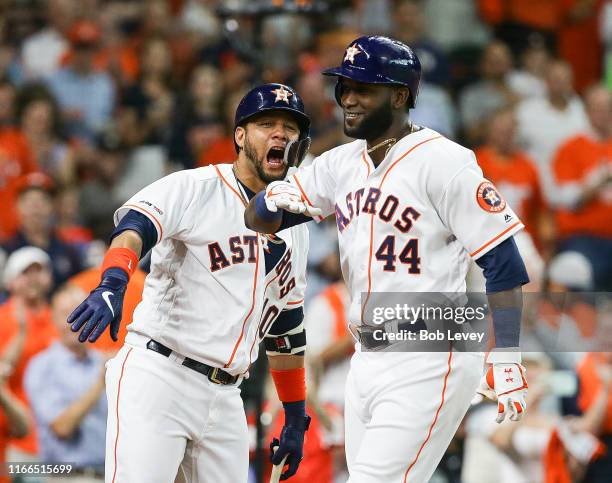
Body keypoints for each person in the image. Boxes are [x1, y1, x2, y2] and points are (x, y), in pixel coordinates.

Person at [245, 36, 530, 482]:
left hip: (432, 353)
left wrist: (507, 354)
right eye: (344, 87)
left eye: (364, 88)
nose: (349, 98)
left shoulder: (445, 162)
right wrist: (272, 196)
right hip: (367, 355)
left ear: (400, 96)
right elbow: (259, 220)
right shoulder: (339, 164)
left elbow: (505, 262)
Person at [67, 83, 312, 482]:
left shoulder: (296, 223)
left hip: (228, 394)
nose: (280, 134)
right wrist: (113, 281)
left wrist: (295, 412)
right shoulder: (197, 187)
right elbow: (136, 226)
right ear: (239, 135)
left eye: (290, 127)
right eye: (267, 123)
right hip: (161, 374)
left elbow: (286, 324)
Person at [24, 285, 107, 482]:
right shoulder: (42, 366)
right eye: (66, 314)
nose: (75, 321)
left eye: (81, 311)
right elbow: (62, 427)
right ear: (53, 318)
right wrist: (99, 384)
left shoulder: (103, 362)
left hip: (110, 474)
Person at [0, 247, 57, 467]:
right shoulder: (3, 319)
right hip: (14, 436)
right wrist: (21, 334)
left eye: (39, 271)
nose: (33, 278)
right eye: (26, 273)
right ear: (10, 282)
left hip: (55, 438)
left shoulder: (61, 318)